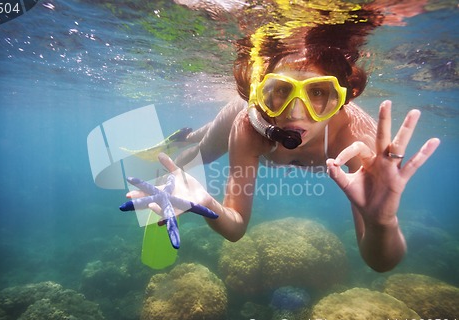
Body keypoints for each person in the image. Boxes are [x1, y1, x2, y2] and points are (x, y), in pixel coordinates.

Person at [127, 8, 440, 272]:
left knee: (206, 147)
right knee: (205, 151)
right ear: (263, 94)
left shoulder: (357, 141)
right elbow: (235, 227)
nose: (294, 113)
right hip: (247, 116)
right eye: (281, 90)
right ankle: (176, 154)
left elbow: (380, 262)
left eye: (317, 92)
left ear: (341, 99)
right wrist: (206, 203)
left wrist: (383, 223)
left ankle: (185, 137)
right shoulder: (248, 127)